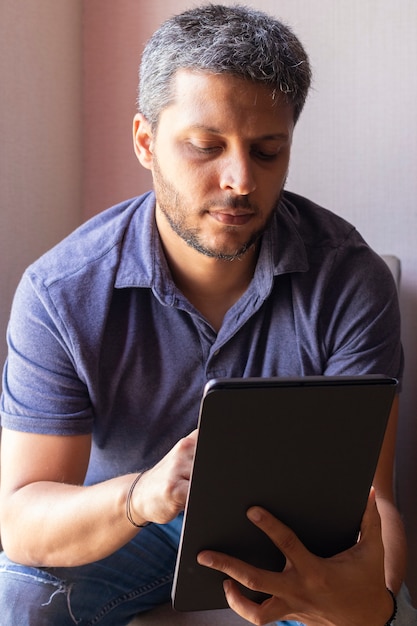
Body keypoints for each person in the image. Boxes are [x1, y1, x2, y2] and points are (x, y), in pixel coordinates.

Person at [0, 4, 413, 625]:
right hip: (125, 529)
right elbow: (21, 519)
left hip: (291, 541)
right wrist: (145, 495)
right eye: (205, 147)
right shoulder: (61, 291)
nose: (241, 180)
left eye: (268, 151)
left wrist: (368, 604)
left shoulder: (350, 280)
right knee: (20, 596)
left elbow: (373, 502)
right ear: (145, 141)